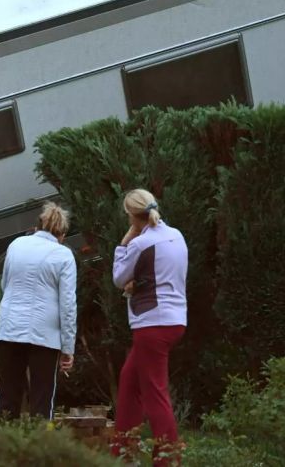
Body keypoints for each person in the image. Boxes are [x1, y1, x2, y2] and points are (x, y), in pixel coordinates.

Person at [111, 189, 188, 465]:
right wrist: (140, 282)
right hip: (176, 320)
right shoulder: (177, 235)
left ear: (132, 216)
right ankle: (122, 454)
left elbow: (119, 278)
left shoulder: (139, 244)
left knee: (155, 392)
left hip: (152, 324)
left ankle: (168, 459)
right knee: (129, 381)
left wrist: (124, 243)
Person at [0, 201, 77, 420]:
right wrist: (68, 348)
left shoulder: (16, 244)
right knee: (42, 400)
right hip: (44, 335)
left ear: (37, 227)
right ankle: (40, 449)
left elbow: (5, 285)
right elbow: (67, 305)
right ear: (62, 235)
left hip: (9, 328)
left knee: (7, 396)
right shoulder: (64, 255)